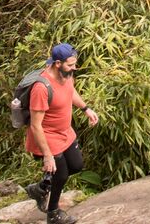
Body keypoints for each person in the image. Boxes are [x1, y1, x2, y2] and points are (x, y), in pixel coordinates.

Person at [22, 44, 100, 224]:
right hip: (47, 136)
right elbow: (35, 125)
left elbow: (70, 92)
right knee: (61, 174)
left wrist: (86, 108)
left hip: (65, 132)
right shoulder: (41, 88)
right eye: (70, 65)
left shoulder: (67, 75)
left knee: (76, 165)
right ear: (58, 63)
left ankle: (40, 188)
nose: (74, 68)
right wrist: (47, 156)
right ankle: (53, 213)